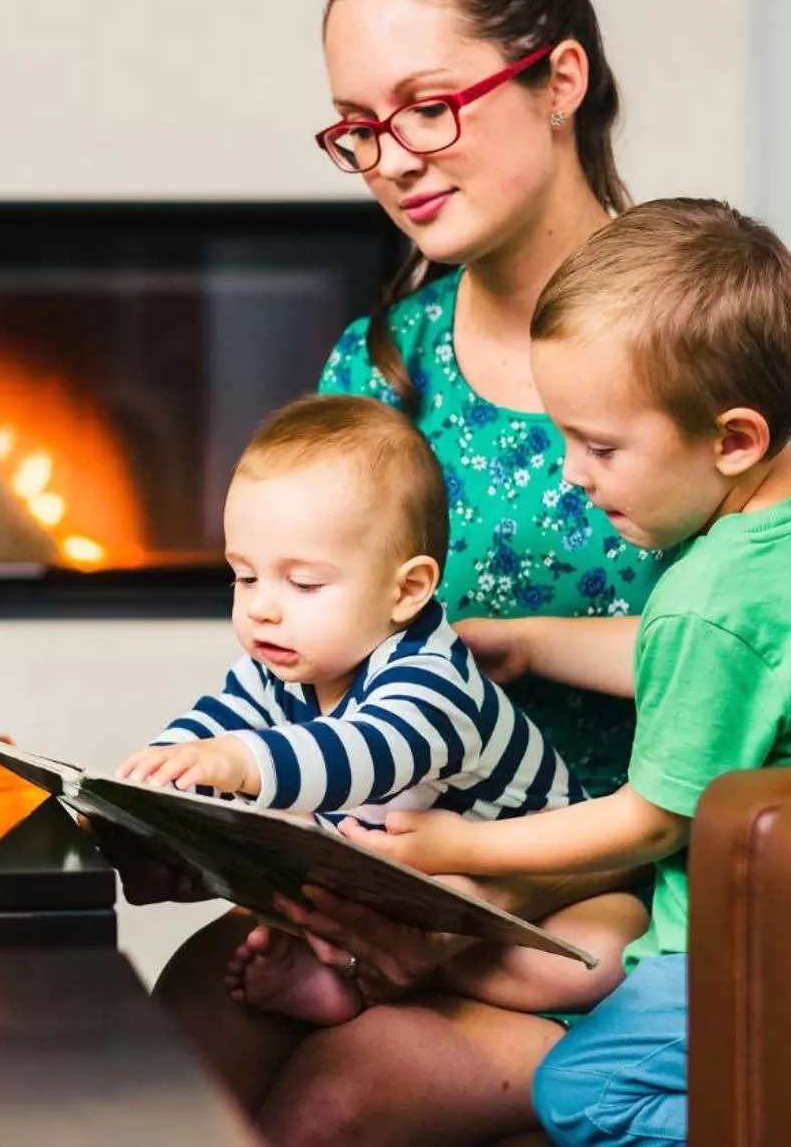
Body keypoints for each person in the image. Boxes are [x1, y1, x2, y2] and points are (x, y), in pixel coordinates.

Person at [146, 0, 791, 1147]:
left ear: (559, 77)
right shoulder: (379, 366)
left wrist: (453, 908)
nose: (394, 159)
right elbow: (312, 657)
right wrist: (205, 821)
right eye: (356, 129)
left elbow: (785, 688)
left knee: (343, 1097)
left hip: (617, 925)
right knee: (176, 1018)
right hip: (403, 865)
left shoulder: (700, 355)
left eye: (428, 106)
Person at [345, 198, 791, 1145]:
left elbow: (652, 816)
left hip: (761, 945)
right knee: (552, 959)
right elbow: (704, 656)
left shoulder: (718, 596)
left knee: (581, 1088)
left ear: (731, 439)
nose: (574, 473)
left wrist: (449, 845)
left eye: (602, 446)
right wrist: (534, 640)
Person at [116, 394, 632, 1027]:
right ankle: (348, 979)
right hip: (409, 888)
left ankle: (424, 975)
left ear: (407, 590)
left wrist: (237, 762)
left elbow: (365, 752)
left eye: (302, 584)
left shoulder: (433, 679)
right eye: (244, 577)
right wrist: (157, 781)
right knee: (305, 908)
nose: (261, 609)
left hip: (548, 886)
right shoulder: (284, 666)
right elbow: (214, 724)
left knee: (595, 955)